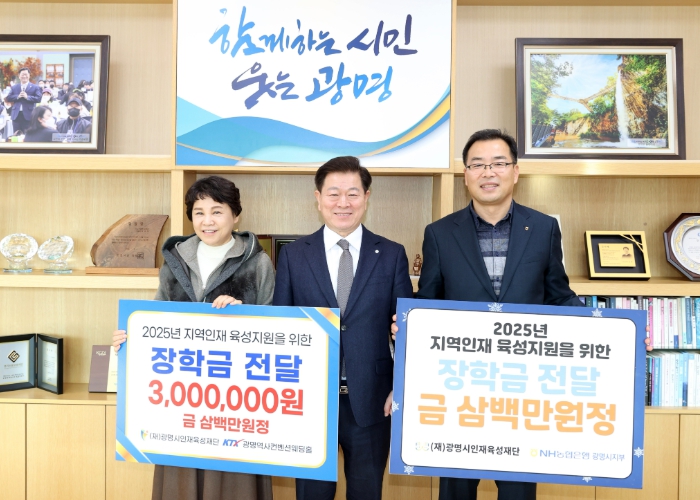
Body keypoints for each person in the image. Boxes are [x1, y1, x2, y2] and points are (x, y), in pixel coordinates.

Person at [395, 129, 584, 500]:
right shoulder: (439, 233)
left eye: (498, 163)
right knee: (455, 490)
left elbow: (559, 296)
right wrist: (407, 325)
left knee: (517, 491)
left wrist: (618, 332)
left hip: (521, 388)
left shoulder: (544, 228)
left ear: (515, 171)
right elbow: (429, 302)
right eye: (477, 165)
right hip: (459, 389)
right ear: (465, 175)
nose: (488, 172)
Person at [113, 175, 275, 500]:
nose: (207, 221)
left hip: (235, 402)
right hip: (181, 400)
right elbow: (157, 320)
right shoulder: (174, 261)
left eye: (217, 211)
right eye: (199, 212)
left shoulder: (258, 263)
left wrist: (244, 315)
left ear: (235, 215)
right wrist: (131, 338)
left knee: (233, 485)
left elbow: (276, 330)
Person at [273, 156, 413, 500]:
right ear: (318, 198)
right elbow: (281, 328)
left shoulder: (392, 254)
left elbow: (406, 330)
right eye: (333, 193)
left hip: (373, 400)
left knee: (366, 492)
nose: (343, 203)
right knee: (312, 494)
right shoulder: (293, 255)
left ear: (366, 197)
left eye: (353, 193)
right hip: (308, 401)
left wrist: (400, 387)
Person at [6, 67, 42, 134]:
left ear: (29, 75)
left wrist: (27, 97)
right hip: (16, 115)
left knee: (28, 135)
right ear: (19, 76)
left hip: (28, 115)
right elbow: (8, 98)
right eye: (22, 74)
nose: (24, 76)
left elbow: (38, 99)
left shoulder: (35, 87)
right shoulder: (14, 87)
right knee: (16, 135)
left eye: (26, 74)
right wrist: (17, 96)